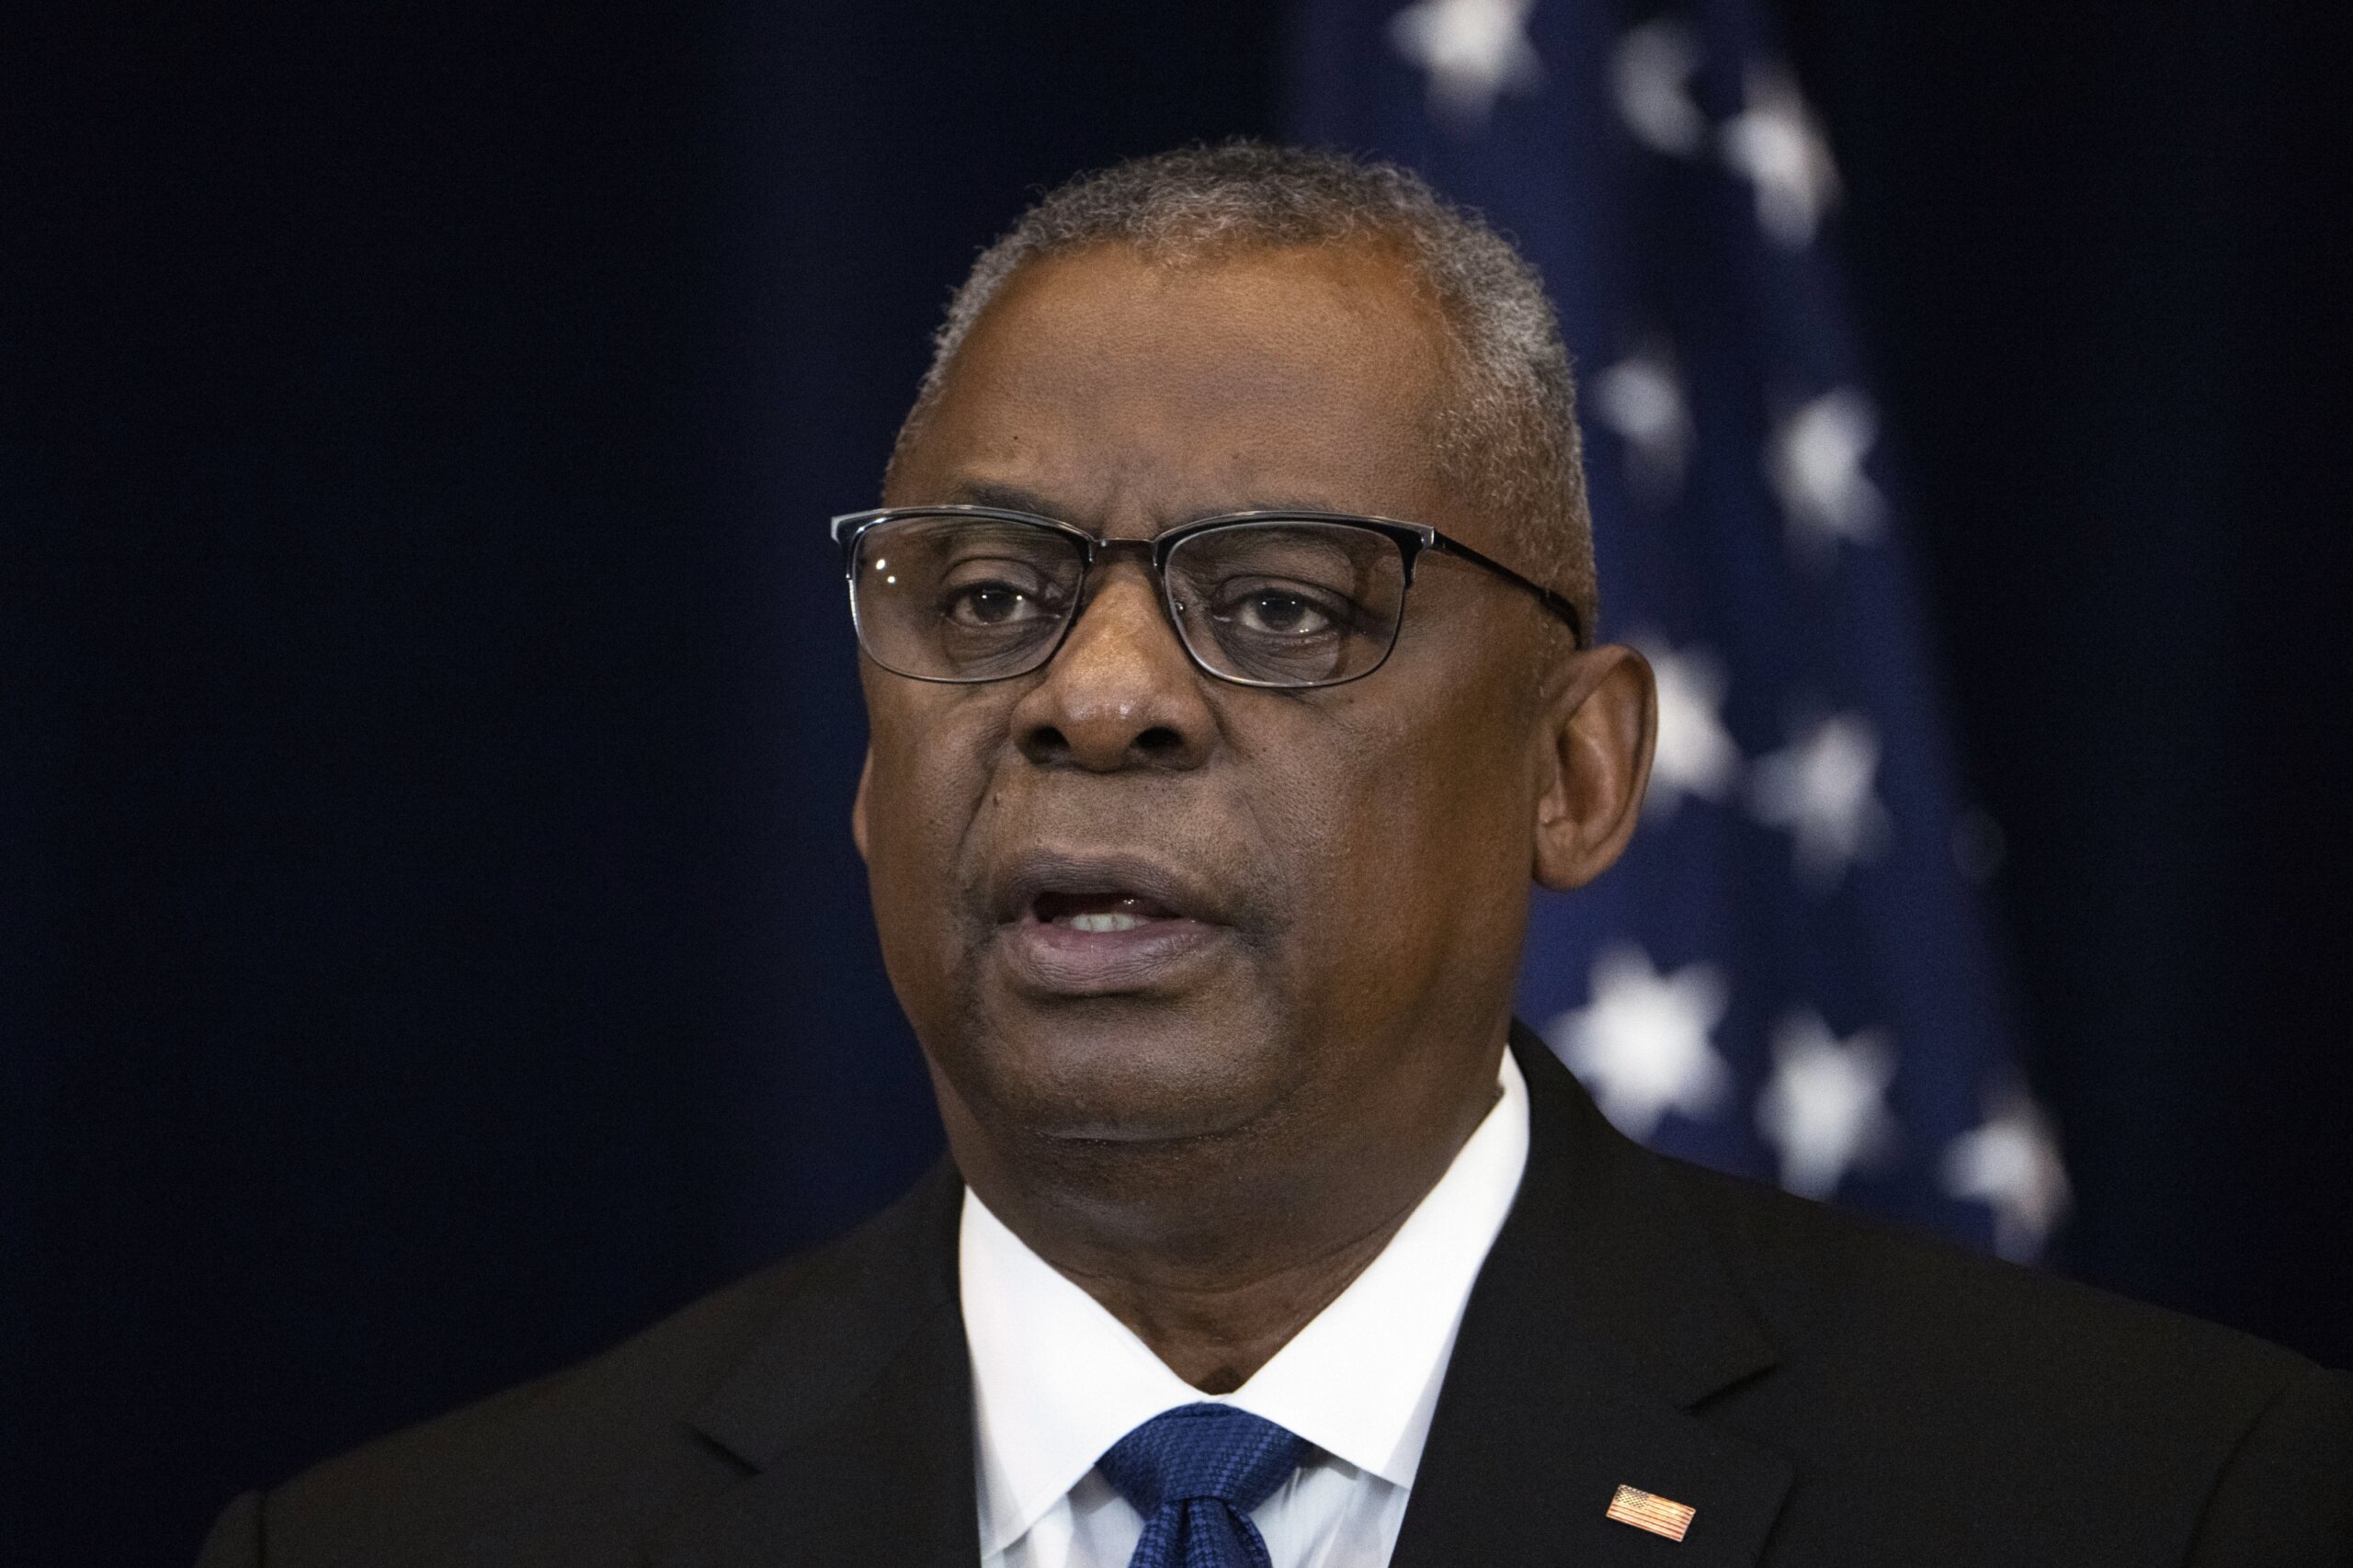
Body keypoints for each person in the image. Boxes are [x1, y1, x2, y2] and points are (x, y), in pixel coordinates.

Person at [196, 143, 2349, 1568]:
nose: (1094, 694)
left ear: (1574, 773)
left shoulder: (2155, 1506)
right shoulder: (413, 1544)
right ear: (867, 772)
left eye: (1283, 604)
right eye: (986, 596)